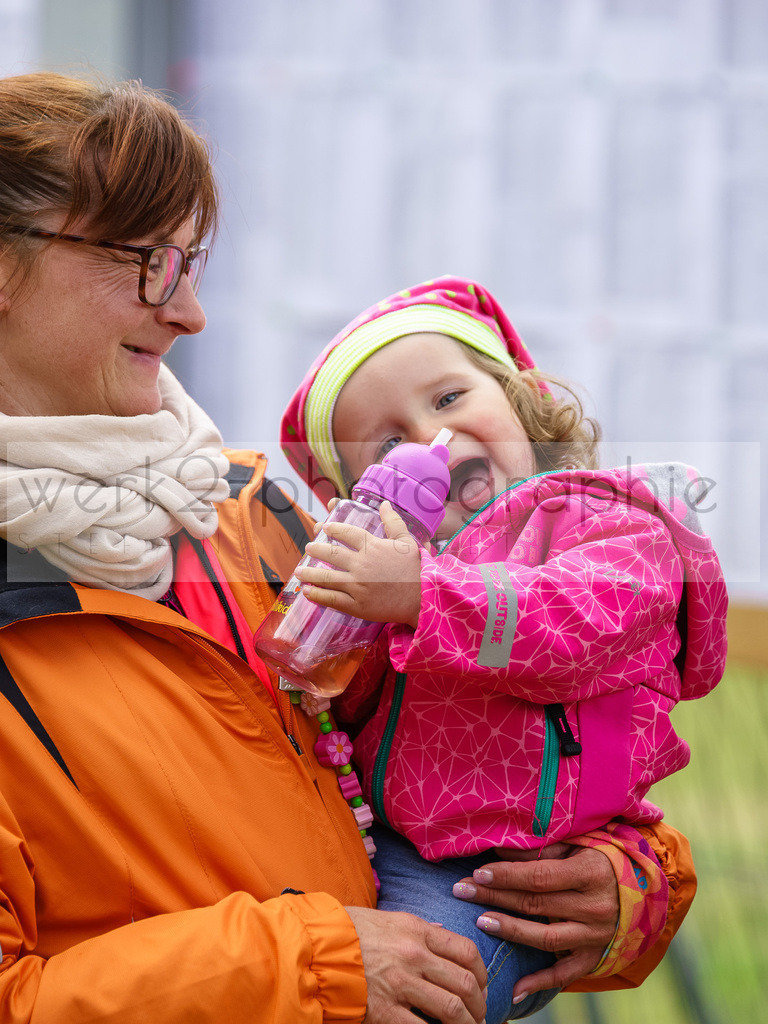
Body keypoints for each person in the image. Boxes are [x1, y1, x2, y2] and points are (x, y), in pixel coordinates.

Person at [0, 71, 695, 1024]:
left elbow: (487, 729)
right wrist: (313, 971)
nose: (189, 312)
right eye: (147, 262)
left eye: (191, 262)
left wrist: (627, 883)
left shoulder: (252, 513)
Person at [280, 275, 728, 1022]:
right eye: (390, 442)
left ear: (519, 397)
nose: (432, 439)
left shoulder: (605, 521)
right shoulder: (394, 575)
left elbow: (573, 625)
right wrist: (337, 638)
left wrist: (422, 595)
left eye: (450, 399)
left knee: (412, 999)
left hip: (500, 867)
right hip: (385, 840)